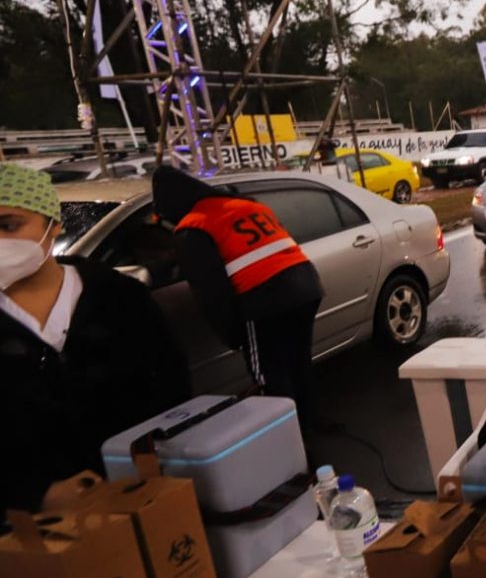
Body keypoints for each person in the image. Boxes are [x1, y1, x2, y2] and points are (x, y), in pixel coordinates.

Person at [0, 164, 189, 512]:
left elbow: (174, 398)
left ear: (52, 226)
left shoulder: (121, 299)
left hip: (147, 503)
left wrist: (148, 470)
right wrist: (35, 496)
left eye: (9, 225)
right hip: (38, 537)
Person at [151, 166, 323, 428]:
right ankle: (310, 422)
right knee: (297, 362)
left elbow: (211, 292)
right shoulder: (246, 206)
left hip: (265, 301)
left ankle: (291, 442)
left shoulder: (194, 227)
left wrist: (233, 335)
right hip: (307, 287)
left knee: (269, 375)